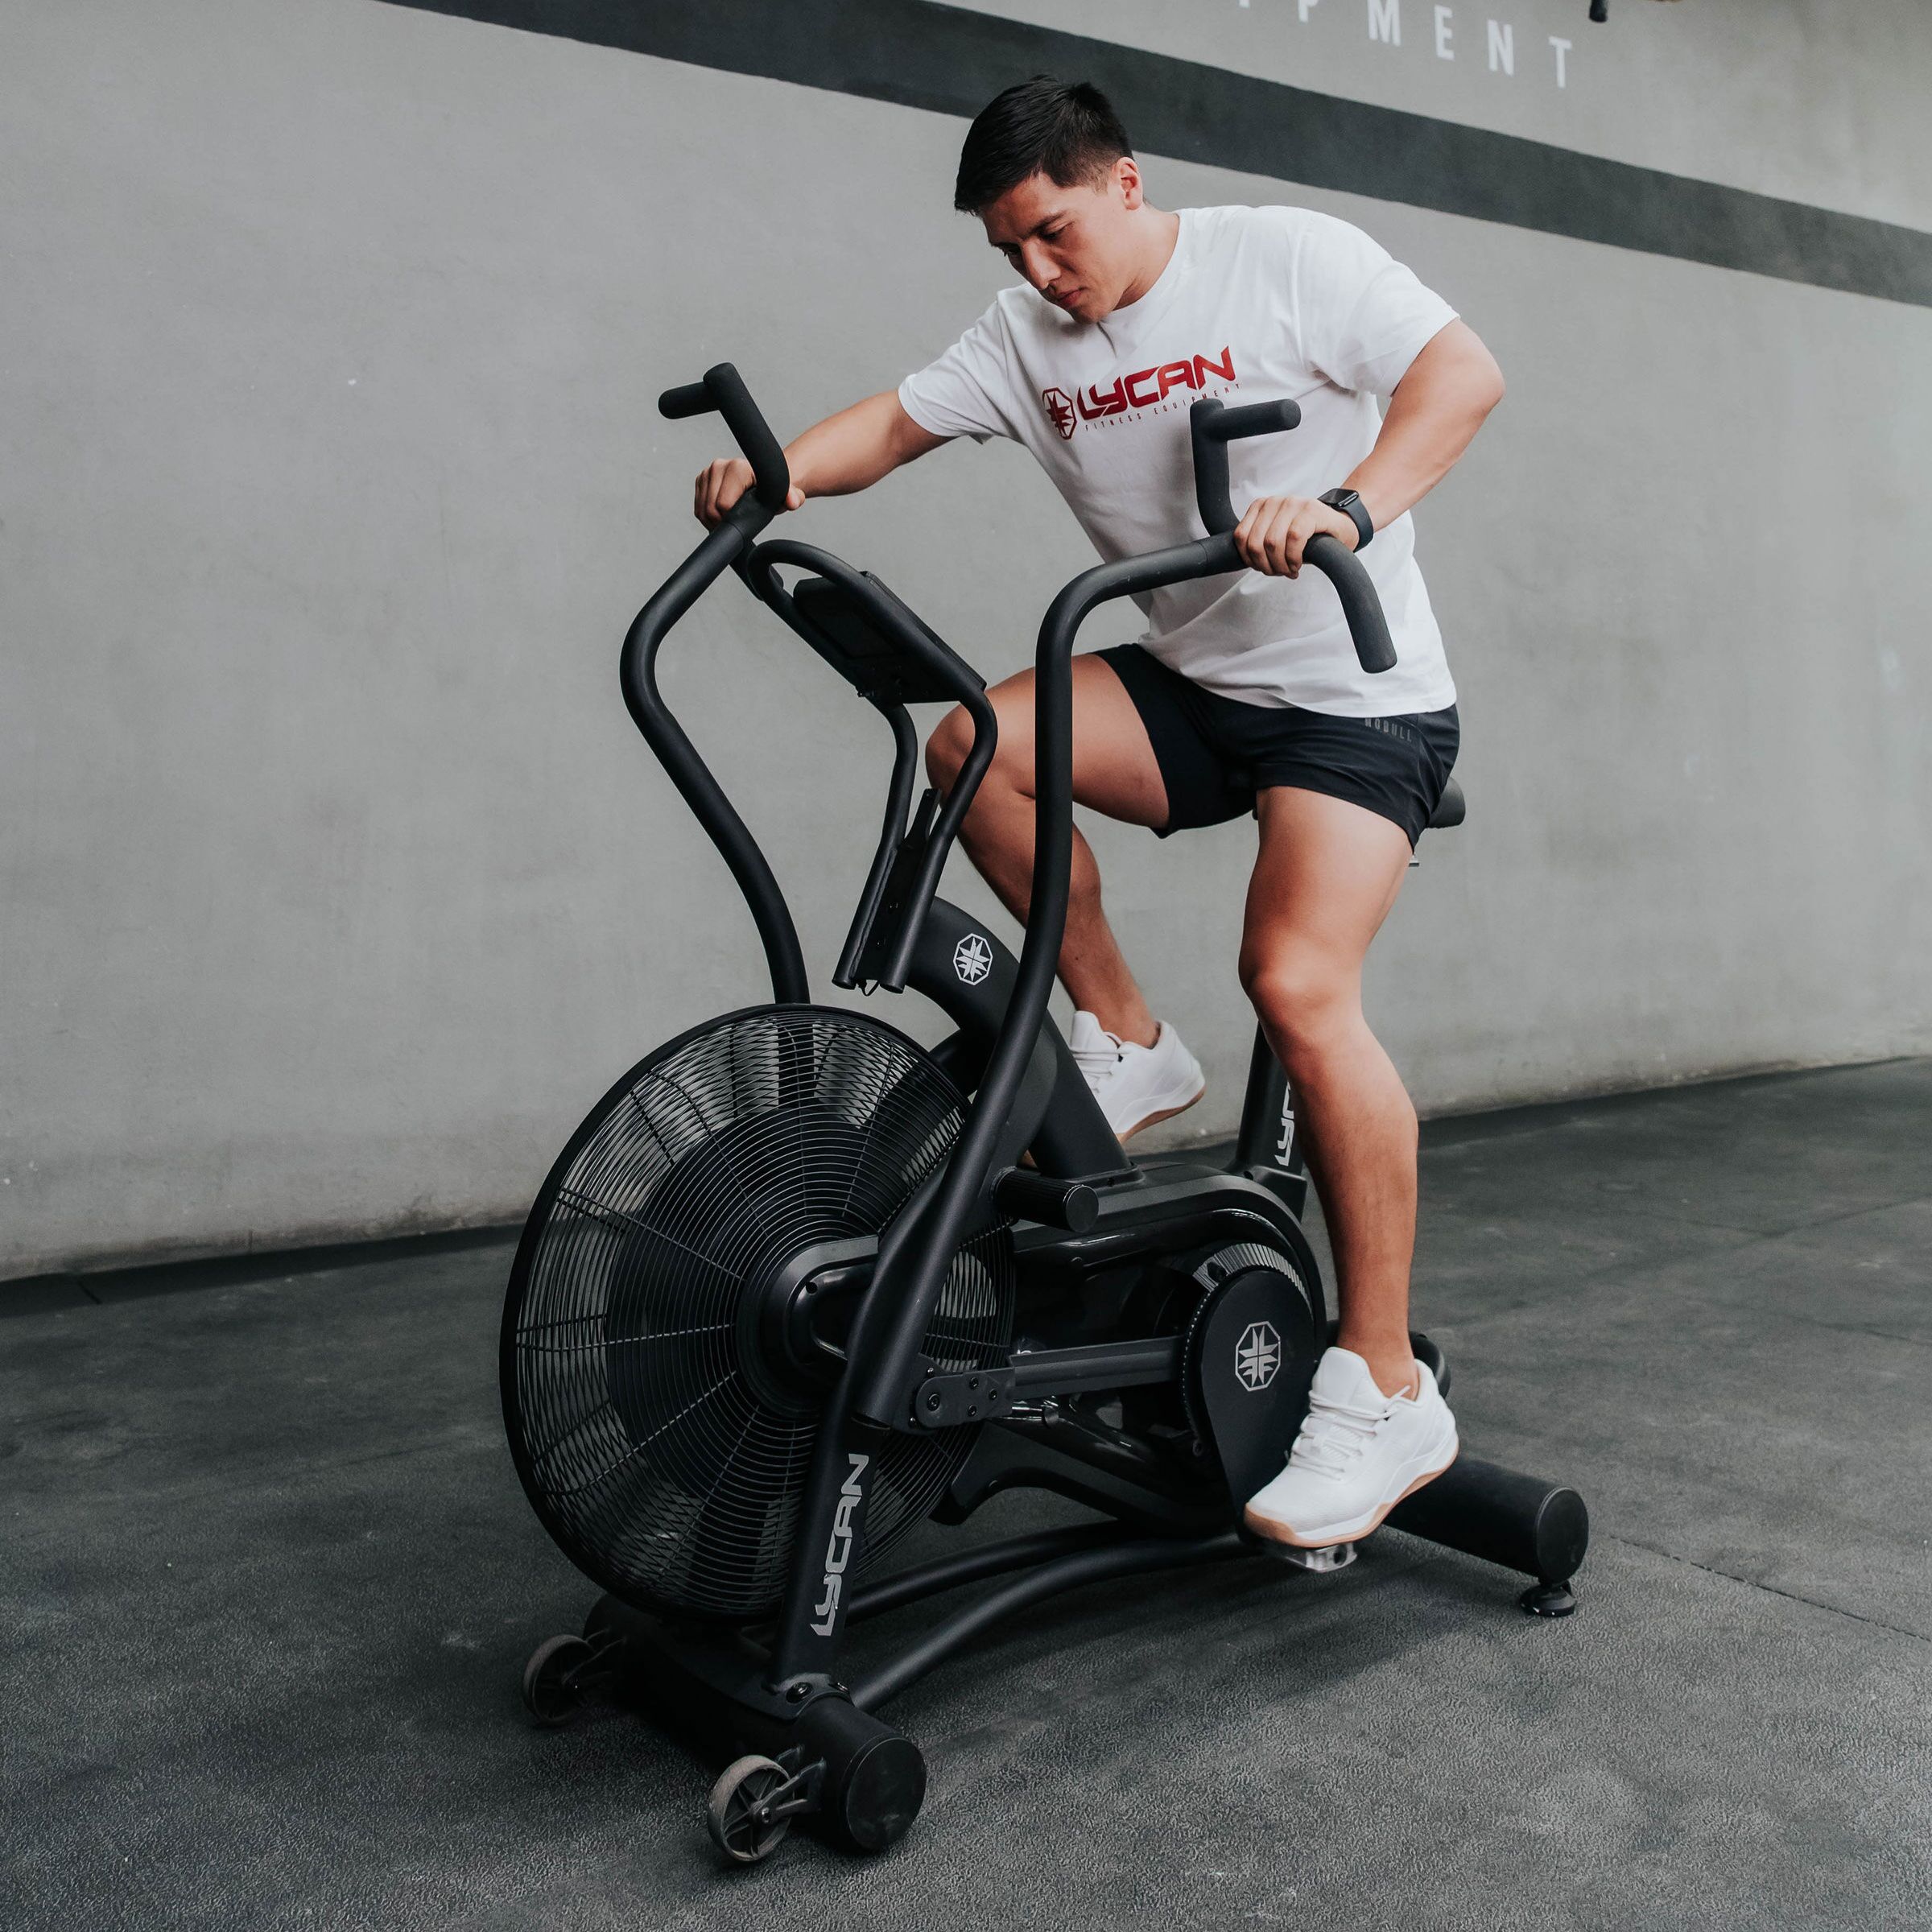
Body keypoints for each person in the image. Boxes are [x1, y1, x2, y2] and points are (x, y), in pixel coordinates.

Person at [692, 77, 1505, 1550]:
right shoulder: (1026, 335)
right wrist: (779, 474)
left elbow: (1464, 375)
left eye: (1053, 233)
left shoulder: (1285, 258)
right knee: (974, 749)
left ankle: (1386, 1383)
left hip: (1356, 692)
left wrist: (1347, 506)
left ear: (1124, 183)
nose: (1037, 270)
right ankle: (1126, 1037)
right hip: (1196, 684)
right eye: (1009, 248)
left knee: (1298, 985)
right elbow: (896, 423)